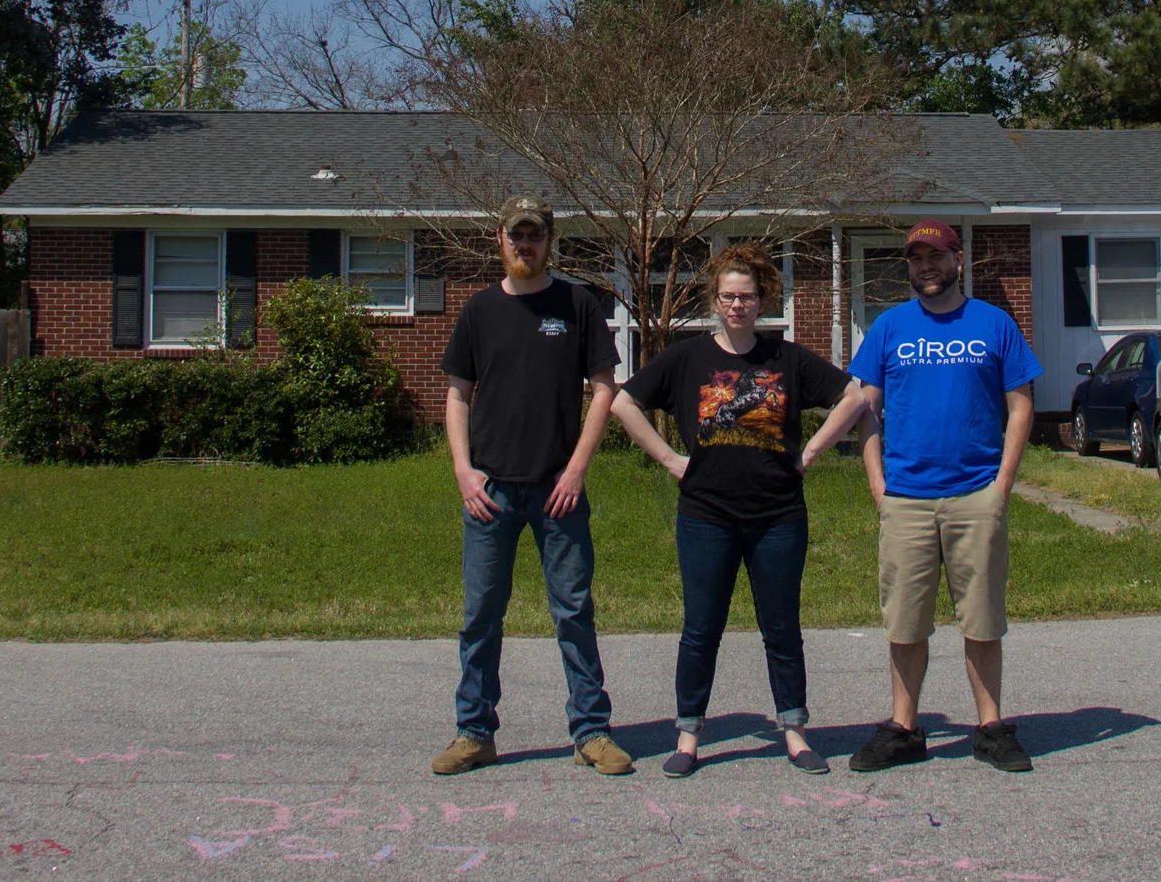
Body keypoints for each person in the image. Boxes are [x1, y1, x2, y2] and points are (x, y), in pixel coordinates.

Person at [800, 219, 1039, 773]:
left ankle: (990, 728)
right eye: (916, 258)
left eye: (936, 256)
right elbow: (864, 407)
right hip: (906, 498)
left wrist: (1002, 485)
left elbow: (1021, 404)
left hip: (975, 494)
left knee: (981, 620)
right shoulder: (890, 328)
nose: (926, 266)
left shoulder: (994, 324)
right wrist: (877, 484)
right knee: (905, 622)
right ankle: (904, 728)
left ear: (959, 260)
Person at [612, 243, 848, 777]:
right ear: (715, 301)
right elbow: (624, 402)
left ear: (762, 299)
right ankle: (688, 736)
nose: (737, 305)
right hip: (706, 516)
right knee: (701, 629)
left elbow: (852, 396)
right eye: (728, 296)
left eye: (746, 296)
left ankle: (795, 732)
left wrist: (810, 453)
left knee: (781, 628)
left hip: (778, 516)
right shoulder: (688, 358)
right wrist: (671, 459)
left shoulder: (786, 358)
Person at [431, 195, 634, 777]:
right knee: (480, 615)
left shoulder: (577, 305)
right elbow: (458, 395)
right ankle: (474, 732)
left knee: (573, 612)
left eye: (535, 235)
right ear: (500, 238)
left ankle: (591, 731)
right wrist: (463, 471)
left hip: (557, 490)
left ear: (550, 241)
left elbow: (604, 389)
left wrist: (576, 470)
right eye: (516, 235)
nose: (525, 244)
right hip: (489, 492)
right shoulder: (479, 310)